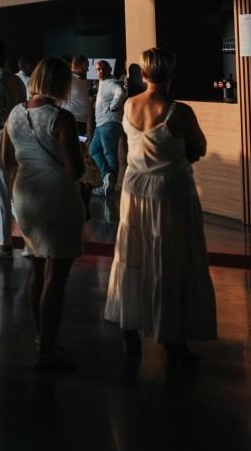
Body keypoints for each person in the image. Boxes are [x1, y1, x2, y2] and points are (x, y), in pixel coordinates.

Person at [104, 48, 216, 367]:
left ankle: (130, 330)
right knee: (170, 259)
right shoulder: (178, 111)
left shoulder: (129, 104)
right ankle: (172, 336)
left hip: (135, 187)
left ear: (144, 74)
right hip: (169, 190)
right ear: (171, 73)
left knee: (134, 256)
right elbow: (200, 148)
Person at [0, 57, 85, 370]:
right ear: (61, 83)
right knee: (56, 277)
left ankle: (41, 338)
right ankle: (47, 347)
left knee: (36, 270)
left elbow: (7, 160)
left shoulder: (15, 113)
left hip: (25, 194)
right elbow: (74, 170)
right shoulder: (61, 118)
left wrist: (13, 194)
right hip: (56, 196)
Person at [0, 41, 29, 261]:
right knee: (15, 194)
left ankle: (4, 244)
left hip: (0, 141)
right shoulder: (17, 80)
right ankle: (31, 238)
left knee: (0, 194)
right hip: (18, 139)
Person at [90, 58, 127, 197]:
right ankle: (107, 176)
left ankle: (108, 188)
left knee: (109, 154)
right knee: (93, 150)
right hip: (101, 124)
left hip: (109, 123)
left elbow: (121, 92)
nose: (100, 71)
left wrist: (113, 107)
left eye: (102, 68)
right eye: (98, 69)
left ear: (109, 69)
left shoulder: (112, 82)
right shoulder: (103, 83)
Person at [60, 56, 93, 140]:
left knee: (81, 148)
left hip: (83, 122)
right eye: (87, 66)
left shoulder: (82, 79)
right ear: (80, 65)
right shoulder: (67, 79)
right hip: (73, 121)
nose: (88, 69)